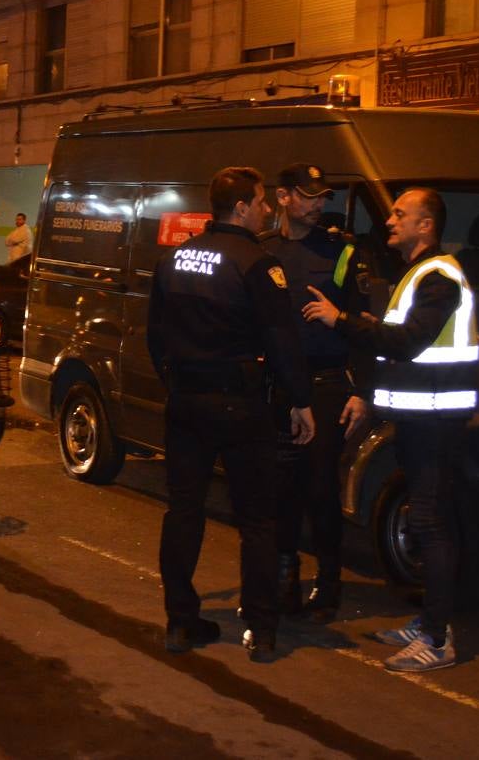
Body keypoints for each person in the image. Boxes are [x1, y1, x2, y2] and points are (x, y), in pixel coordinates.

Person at [304, 188, 476, 672]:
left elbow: (406, 343)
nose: (390, 221)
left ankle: (438, 639)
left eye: (402, 215)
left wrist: (342, 321)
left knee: (431, 524)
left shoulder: (439, 277)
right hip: (421, 419)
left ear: (427, 226)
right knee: (427, 521)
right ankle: (428, 625)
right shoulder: (420, 274)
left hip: (437, 422)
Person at [147, 166, 314, 663]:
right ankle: (262, 631)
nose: (267, 209)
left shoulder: (175, 259)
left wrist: (176, 382)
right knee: (258, 520)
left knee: (184, 510)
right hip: (243, 406)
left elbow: (155, 336)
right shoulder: (257, 264)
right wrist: (301, 401)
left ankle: (180, 622)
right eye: (262, 202)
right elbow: (281, 342)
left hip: (187, 403)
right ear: (240, 207)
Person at [261, 164, 371, 622]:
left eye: (324, 196)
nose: (319, 204)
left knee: (320, 485)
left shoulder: (341, 251)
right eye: (309, 196)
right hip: (275, 385)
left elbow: (363, 322)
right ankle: (285, 573)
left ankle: (329, 582)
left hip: (325, 382)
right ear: (283, 197)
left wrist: (362, 388)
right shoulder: (262, 250)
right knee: (278, 485)